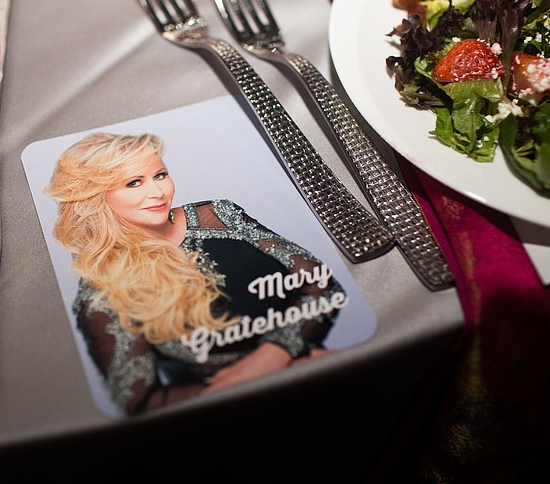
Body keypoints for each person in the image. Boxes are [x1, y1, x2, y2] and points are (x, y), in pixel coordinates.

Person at [45, 132, 347, 416]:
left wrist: (276, 353)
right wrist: (268, 375)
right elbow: (139, 401)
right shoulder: (102, 288)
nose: (158, 192)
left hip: (328, 377)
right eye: (134, 183)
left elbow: (322, 284)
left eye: (160, 175)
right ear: (96, 197)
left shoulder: (217, 215)